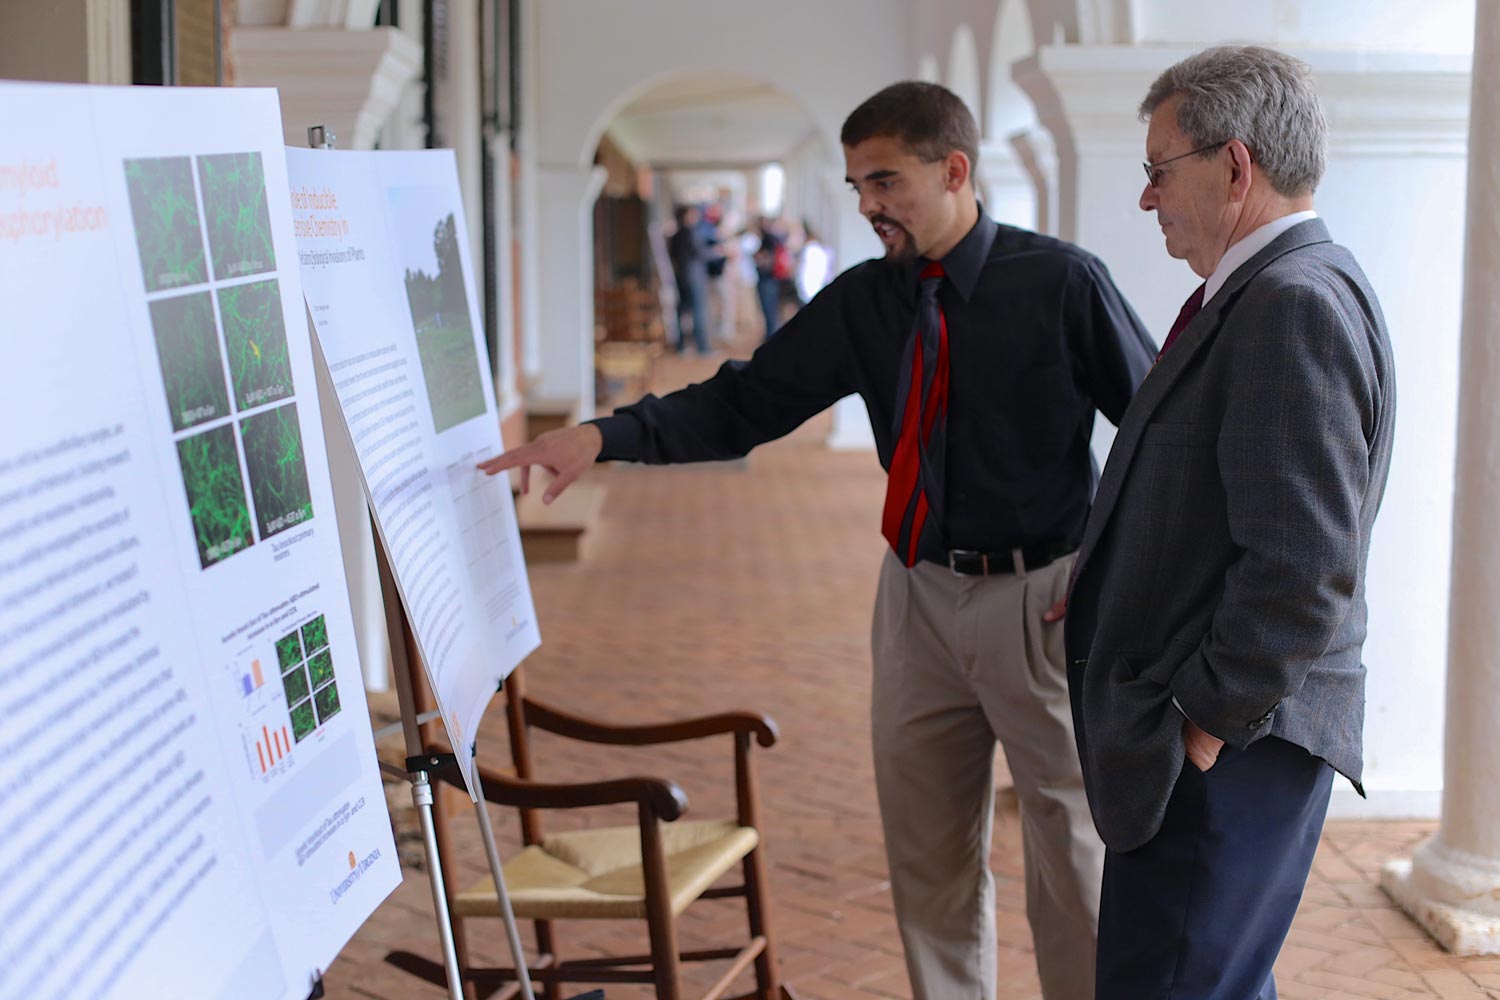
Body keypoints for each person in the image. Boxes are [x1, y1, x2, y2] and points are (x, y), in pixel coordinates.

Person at [481, 81, 1156, 1000]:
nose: (869, 204)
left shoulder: (1062, 283)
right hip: (914, 602)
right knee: (927, 858)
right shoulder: (865, 303)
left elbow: (1160, 434)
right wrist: (602, 436)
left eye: (886, 182)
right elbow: (743, 403)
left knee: (1072, 853)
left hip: (1041, 603)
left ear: (955, 170)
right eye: (856, 186)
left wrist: (1111, 569)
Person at [1063, 46, 1396, 999]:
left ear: (1234, 166)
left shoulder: (1292, 302)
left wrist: (1202, 719)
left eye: (1158, 171)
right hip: (1231, 738)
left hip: (1232, 747)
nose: (1147, 198)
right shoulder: (1275, 289)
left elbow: (1303, 565)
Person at [668, 203, 712, 354]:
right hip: (694, 277)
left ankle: (681, 345)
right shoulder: (691, 232)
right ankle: (702, 347)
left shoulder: (676, 234)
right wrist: (718, 252)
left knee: (682, 310)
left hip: (681, 276)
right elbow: (700, 253)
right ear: (686, 215)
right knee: (699, 311)